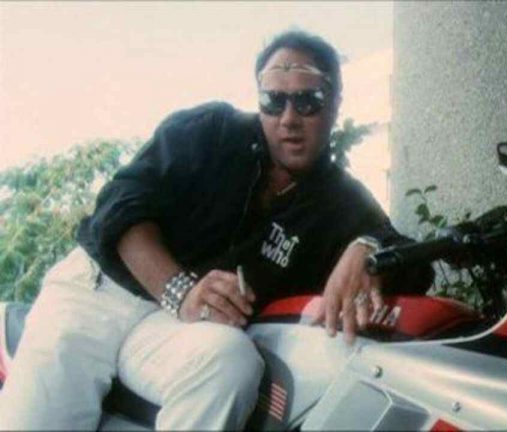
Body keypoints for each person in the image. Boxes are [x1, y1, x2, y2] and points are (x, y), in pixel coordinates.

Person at [0, 30, 432, 430]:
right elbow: (121, 206)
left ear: (335, 102)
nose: (288, 118)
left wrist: (368, 250)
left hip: (172, 331)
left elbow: (411, 259)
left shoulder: (340, 202)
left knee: (232, 361)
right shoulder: (211, 130)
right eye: (274, 100)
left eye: (308, 101)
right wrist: (182, 291)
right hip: (99, 294)